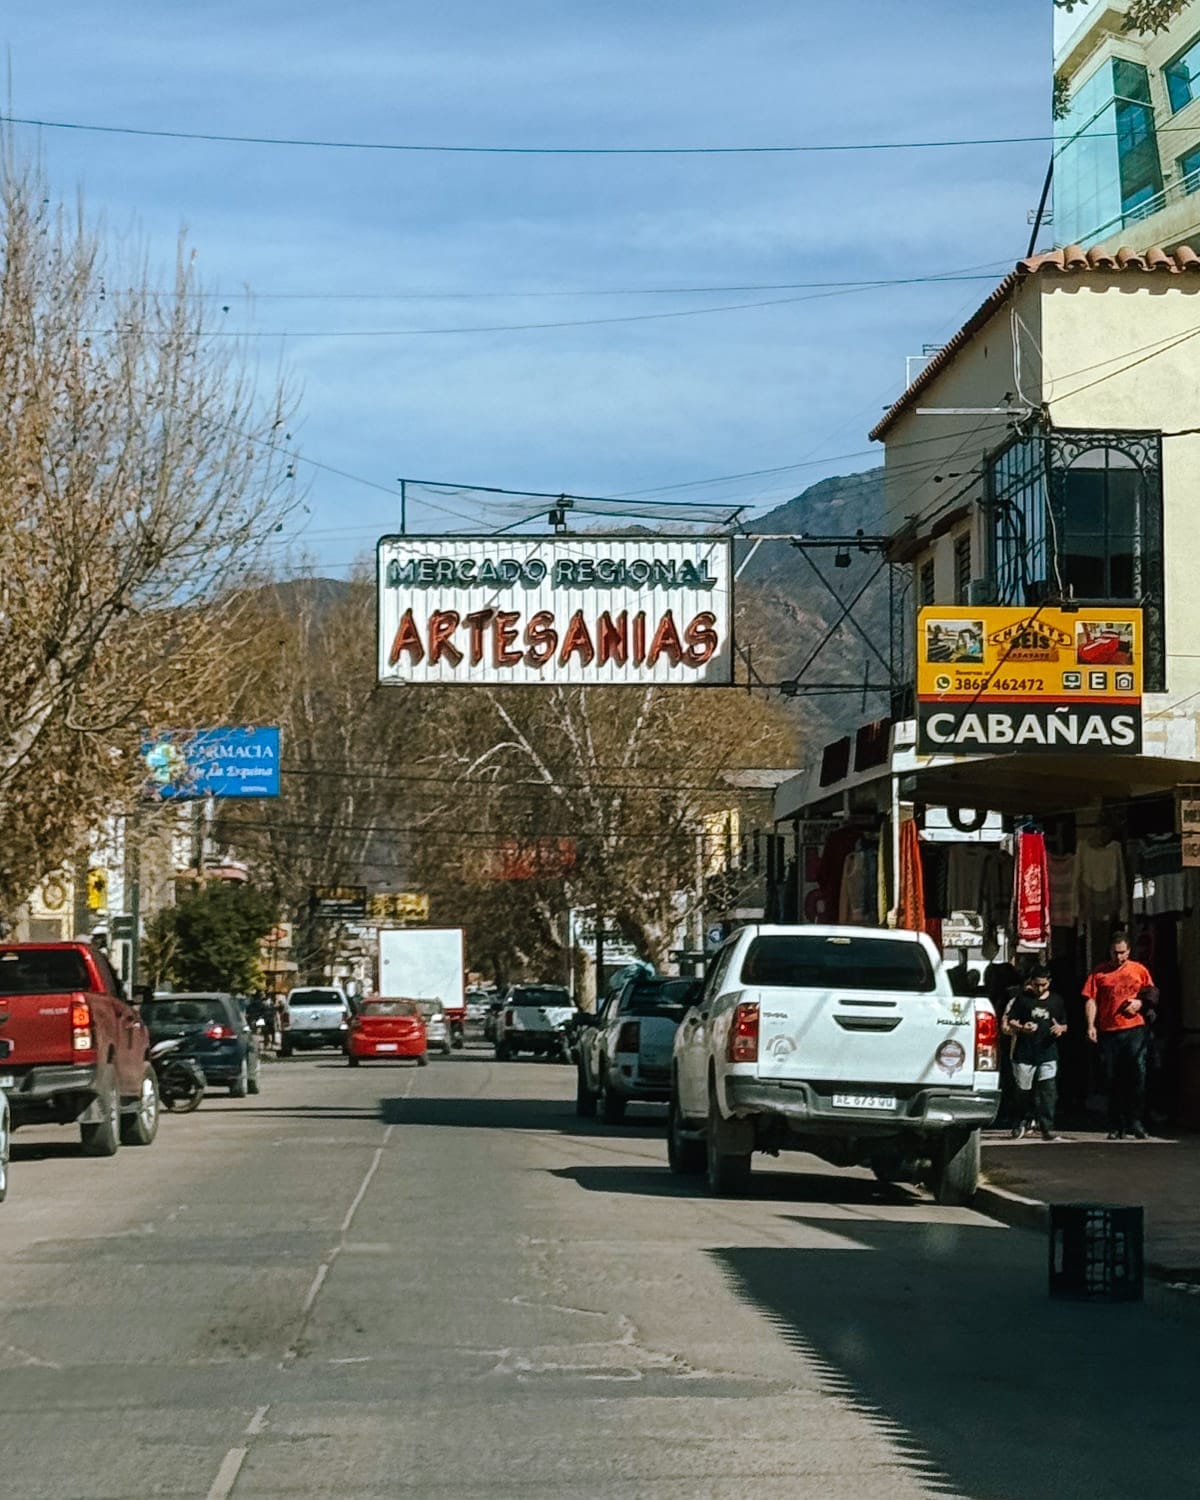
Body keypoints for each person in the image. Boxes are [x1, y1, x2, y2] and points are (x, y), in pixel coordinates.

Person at [1083, 933, 1155, 1140]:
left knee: (1137, 1076)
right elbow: (1091, 1000)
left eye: (1122, 953)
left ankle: (1136, 1121)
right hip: (1109, 1031)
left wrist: (1140, 1003)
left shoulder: (1139, 970)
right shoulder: (1099, 973)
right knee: (1111, 1078)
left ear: (1129, 951)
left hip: (1135, 1029)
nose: (1118, 957)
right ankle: (1116, 1125)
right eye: (1115, 953)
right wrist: (1090, 1025)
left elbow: (1150, 993)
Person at [1004, 965, 1068, 1141]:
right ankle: (1020, 1121)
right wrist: (1022, 1027)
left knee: (1048, 1091)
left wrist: (1060, 1029)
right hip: (1024, 1052)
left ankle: (1047, 1126)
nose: (1040, 989)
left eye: (1044, 985)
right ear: (1031, 983)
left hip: (1048, 1052)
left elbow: (1064, 1023)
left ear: (1049, 982)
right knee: (1022, 1091)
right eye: (1037, 985)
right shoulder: (1022, 1000)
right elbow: (1011, 1020)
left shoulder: (1057, 1001)